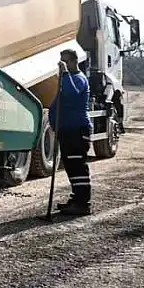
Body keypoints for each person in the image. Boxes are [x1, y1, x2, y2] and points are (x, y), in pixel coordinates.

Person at [51, 48, 92, 215]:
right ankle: (77, 199)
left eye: (67, 61)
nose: (63, 64)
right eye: (62, 61)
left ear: (75, 61)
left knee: (77, 167)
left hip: (77, 129)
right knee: (70, 166)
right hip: (67, 130)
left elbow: (71, 94)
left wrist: (65, 74)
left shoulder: (78, 78)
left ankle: (83, 204)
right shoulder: (68, 79)